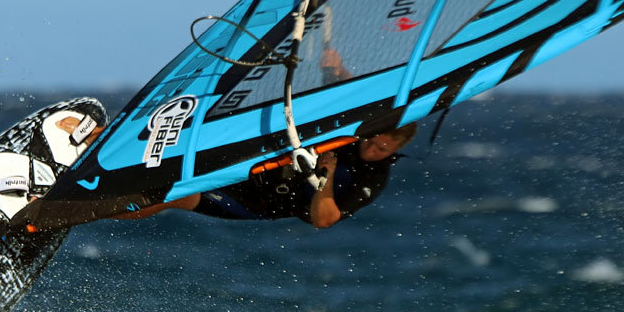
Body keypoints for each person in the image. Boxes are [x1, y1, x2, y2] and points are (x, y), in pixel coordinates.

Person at [114, 123, 417, 229]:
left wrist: (326, 178)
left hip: (261, 202)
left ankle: (96, 209)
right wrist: (336, 71)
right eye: (371, 140)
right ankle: (107, 162)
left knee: (179, 196)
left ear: (397, 148)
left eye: (381, 148)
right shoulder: (356, 137)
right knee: (173, 159)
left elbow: (324, 220)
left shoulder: (372, 179)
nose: (371, 149)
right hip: (256, 168)